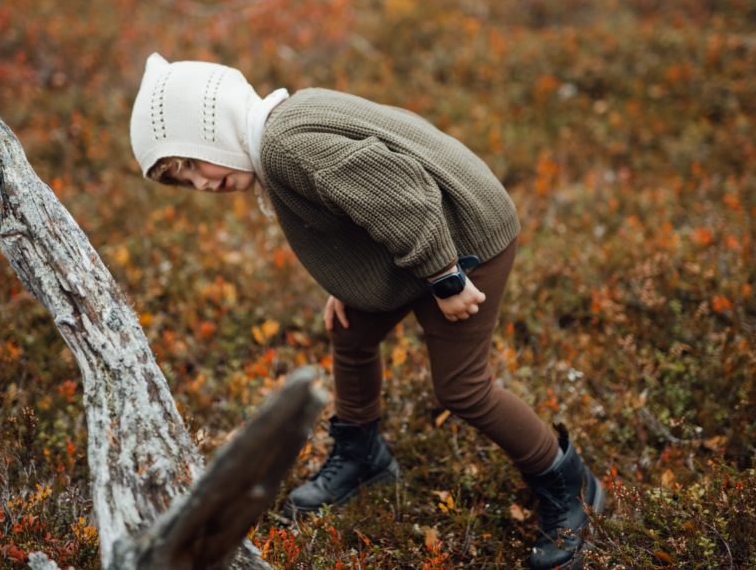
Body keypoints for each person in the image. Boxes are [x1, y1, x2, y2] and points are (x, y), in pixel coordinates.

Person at [129, 53, 606, 569]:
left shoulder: (288, 147)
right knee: (351, 331)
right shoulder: (279, 133)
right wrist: (353, 280)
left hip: (464, 240)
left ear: (212, 127)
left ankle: (569, 483)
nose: (199, 184)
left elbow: (403, 193)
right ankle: (362, 458)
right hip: (424, 242)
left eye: (192, 164)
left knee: (462, 388)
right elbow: (362, 199)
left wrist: (445, 278)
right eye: (182, 180)